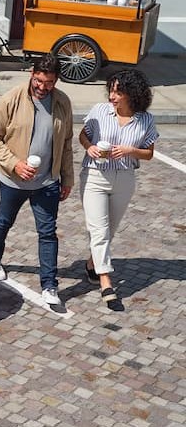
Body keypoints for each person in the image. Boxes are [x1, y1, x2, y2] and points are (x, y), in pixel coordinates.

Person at [0, 54, 74, 307]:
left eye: (49, 82)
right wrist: (15, 164)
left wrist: (67, 177)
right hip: (14, 181)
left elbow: (66, 142)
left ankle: (50, 286)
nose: (43, 87)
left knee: (47, 232)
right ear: (32, 74)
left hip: (47, 182)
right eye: (39, 81)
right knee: (4, 220)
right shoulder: (12, 98)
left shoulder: (62, 102)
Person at [78, 69, 158, 308]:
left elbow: (150, 153)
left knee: (109, 230)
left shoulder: (145, 120)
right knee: (99, 230)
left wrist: (129, 150)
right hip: (95, 175)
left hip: (124, 178)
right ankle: (106, 282)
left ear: (131, 94)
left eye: (118, 91)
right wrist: (89, 147)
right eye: (111, 90)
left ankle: (92, 264)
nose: (112, 96)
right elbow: (83, 136)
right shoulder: (100, 111)